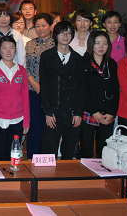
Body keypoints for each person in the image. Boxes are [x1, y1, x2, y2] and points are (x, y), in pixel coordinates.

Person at [39, 21, 86, 160]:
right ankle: (47, 173)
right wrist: (47, 111)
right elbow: (44, 85)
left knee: (69, 148)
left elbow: (81, 87)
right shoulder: (47, 56)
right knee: (49, 147)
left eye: (69, 33)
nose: (65, 36)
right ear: (56, 35)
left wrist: (78, 112)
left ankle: (67, 173)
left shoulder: (78, 58)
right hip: (53, 110)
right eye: (62, 33)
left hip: (71, 111)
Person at [0, 35, 30, 161]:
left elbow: (25, 98)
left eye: (11, 48)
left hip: (17, 121)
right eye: (4, 48)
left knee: (11, 156)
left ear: (16, 50)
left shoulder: (21, 71)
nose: (8, 51)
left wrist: (26, 121)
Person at [80, 30, 120, 159]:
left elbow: (115, 90)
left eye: (105, 43)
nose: (101, 47)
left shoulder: (112, 64)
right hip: (88, 113)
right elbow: (81, 91)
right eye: (97, 43)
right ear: (91, 44)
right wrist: (93, 111)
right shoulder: (83, 63)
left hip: (107, 115)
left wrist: (112, 113)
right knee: (86, 149)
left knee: (104, 151)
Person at [24, 13, 54, 159]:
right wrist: (33, 83)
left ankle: (47, 158)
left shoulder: (56, 44)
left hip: (52, 92)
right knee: (35, 124)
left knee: (49, 125)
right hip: (33, 90)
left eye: (44, 25)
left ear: (50, 26)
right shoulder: (29, 44)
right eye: (37, 26)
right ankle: (32, 157)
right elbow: (25, 66)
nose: (41, 29)